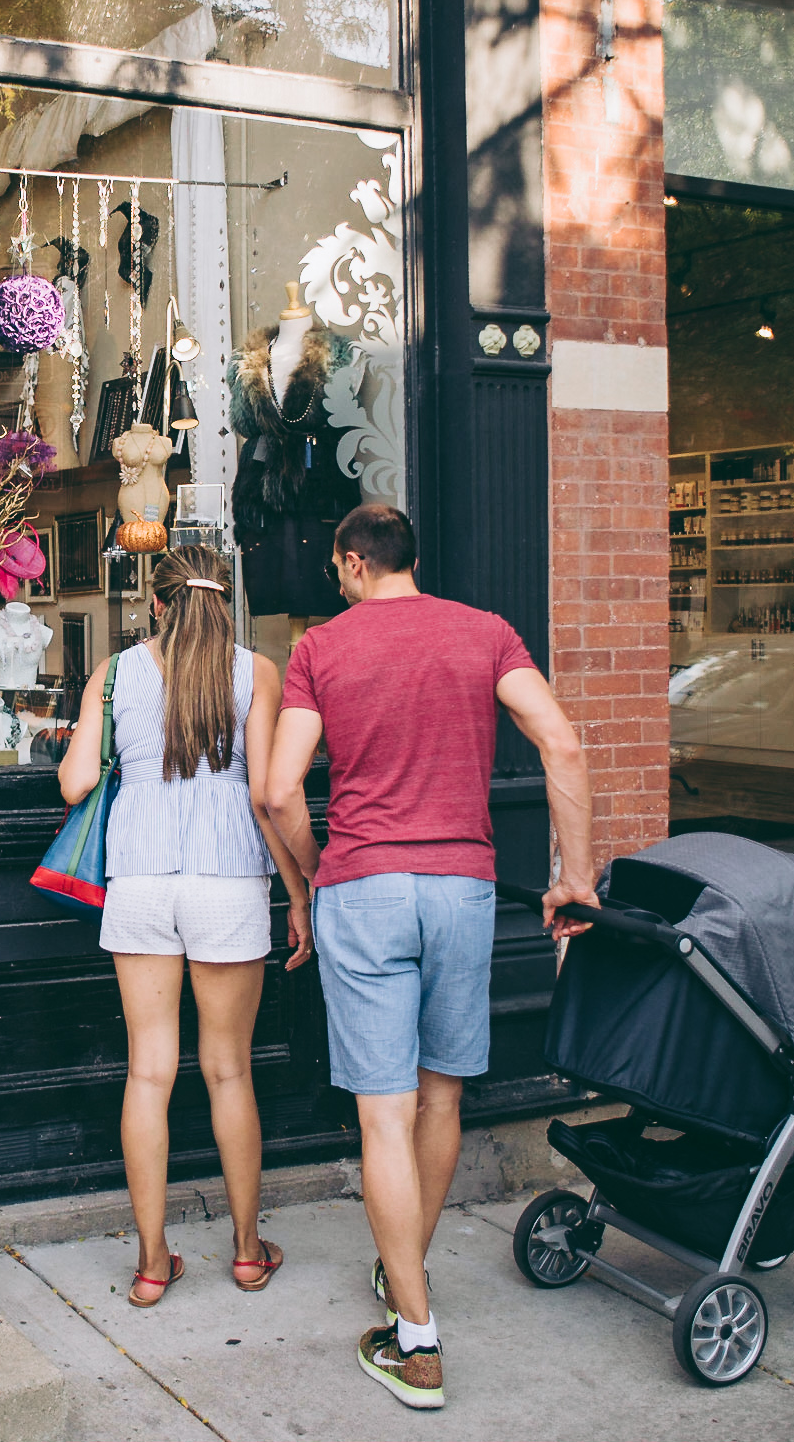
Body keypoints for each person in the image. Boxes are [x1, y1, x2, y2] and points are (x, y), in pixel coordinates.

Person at [263, 503, 597, 1410]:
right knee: (442, 1094)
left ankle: (414, 1340)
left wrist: (311, 876)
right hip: (463, 888)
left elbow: (279, 787)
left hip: (364, 888)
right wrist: (576, 878)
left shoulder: (321, 649)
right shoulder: (485, 632)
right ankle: (403, 1268)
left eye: (338, 568)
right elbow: (562, 741)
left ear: (352, 560)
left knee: (383, 1115)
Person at [59, 546, 312, 1308]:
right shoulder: (256, 673)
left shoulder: (114, 674)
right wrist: (300, 892)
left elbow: (74, 781)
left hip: (139, 880)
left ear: (157, 604)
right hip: (229, 880)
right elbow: (270, 795)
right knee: (229, 1069)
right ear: (223, 601)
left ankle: (150, 1262)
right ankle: (244, 1250)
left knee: (149, 1072)